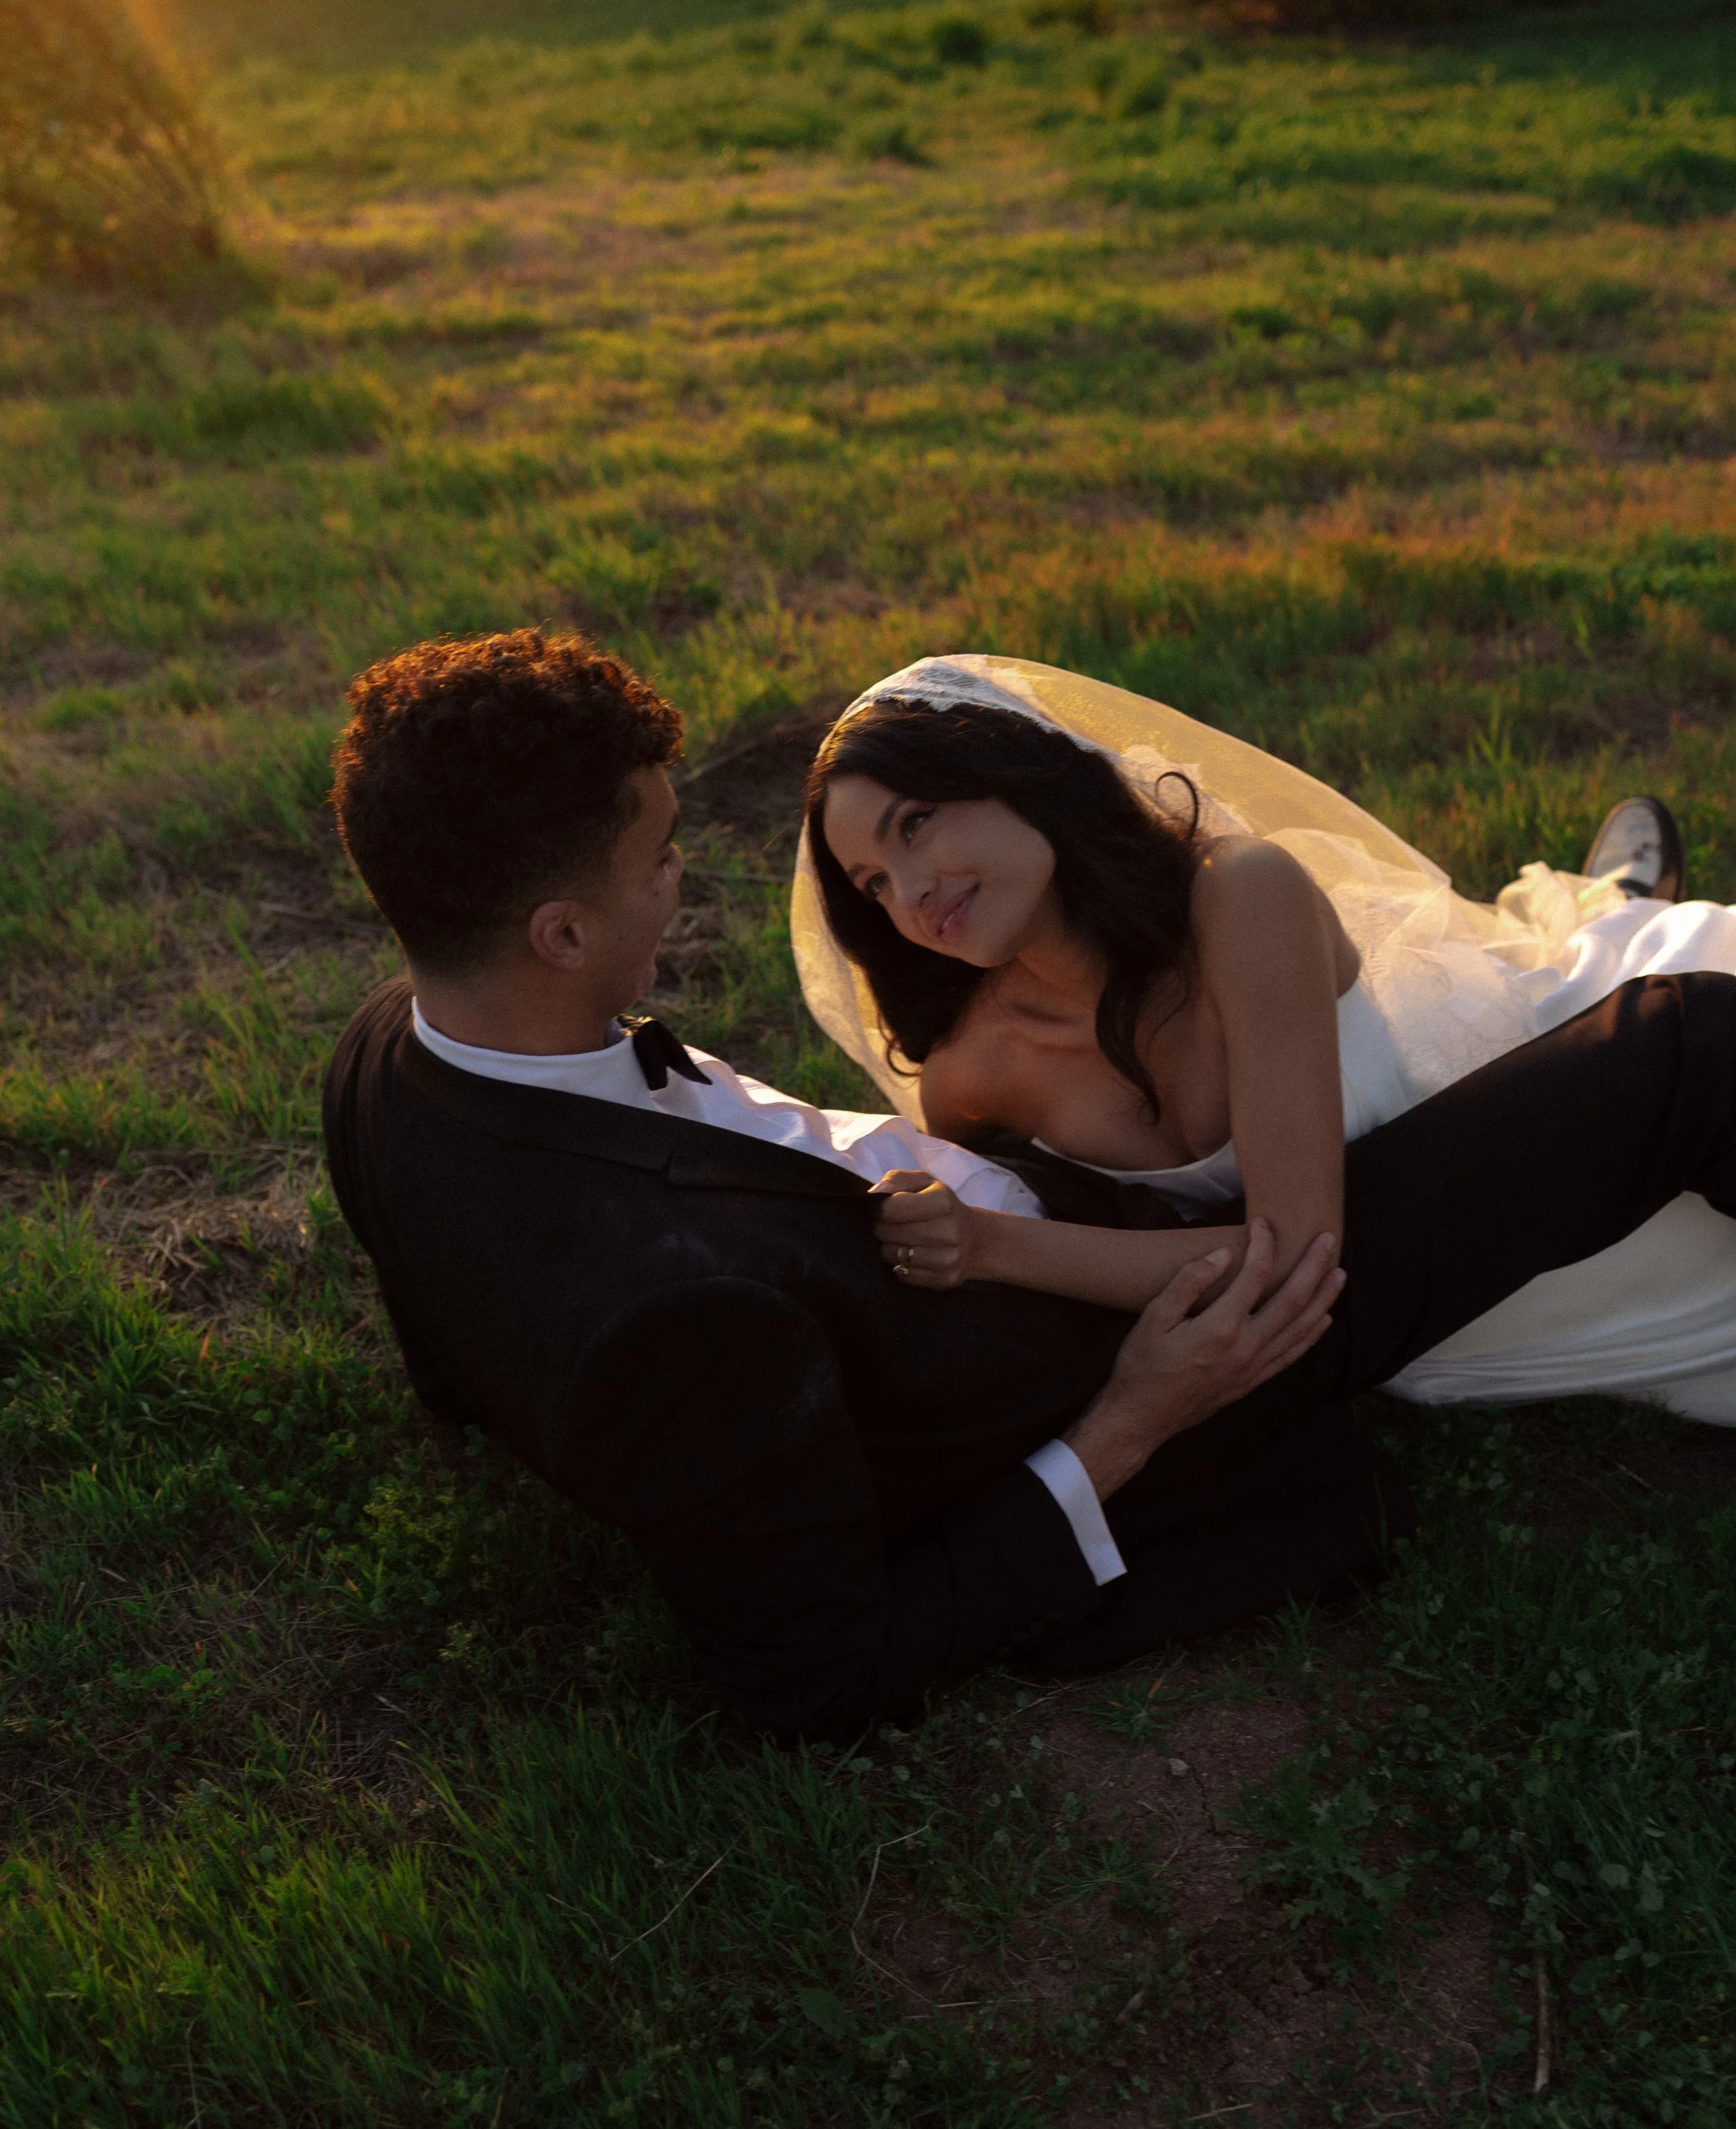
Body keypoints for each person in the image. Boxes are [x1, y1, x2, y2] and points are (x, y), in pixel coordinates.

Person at [323, 629, 1736, 1748]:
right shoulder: (672, 1318)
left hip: (1131, 1213)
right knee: (1684, 1042)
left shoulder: (397, 1057)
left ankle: (1595, 916)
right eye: (659, 859)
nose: (683, 877)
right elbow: (819, 1677)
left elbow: (453, 1336)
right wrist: (1127, 1425)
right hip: (1201, 1341)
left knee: (1567, 1006)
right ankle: (1609, 929)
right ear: (560, 931)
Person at [801, 656, 1736, 1426]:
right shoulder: (972, 1075)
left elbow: (1292, 1256)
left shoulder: (1240, 896)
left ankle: (1621, 904)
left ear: (1015, 767)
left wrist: (990, 1246)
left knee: (1617, 986)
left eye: (916, 824)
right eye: (875, 882)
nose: (912, 891)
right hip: (1419, 1323)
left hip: (1557, 1156)